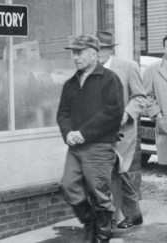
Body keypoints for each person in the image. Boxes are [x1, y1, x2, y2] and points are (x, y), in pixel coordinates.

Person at [57, 34, 124, 243]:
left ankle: (102, 234)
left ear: (94, 54)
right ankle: (91, 221)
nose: (75, 57)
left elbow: (113, 113)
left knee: (99, 192)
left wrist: (83, 133)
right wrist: (68, 133)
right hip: (75, 147)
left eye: (79, 53)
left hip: (99, 146)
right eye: (73, 53)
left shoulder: (109, 79)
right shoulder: (70, 83)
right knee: (68, 185)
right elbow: (63, 113)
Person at [96, 30, 146, 229]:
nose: (97, 53)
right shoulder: (92, 70)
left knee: (116, 170)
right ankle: (132, 214)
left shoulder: (128, 67)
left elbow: (140, 97)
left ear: (110, 49)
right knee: (112, 172)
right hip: (100, 132)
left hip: (123, 132)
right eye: (94, 49)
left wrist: (126, 113)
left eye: (101, 49)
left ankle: (114, 217)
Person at [142, 35, 167, 165]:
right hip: (165, 123)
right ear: (164, 48)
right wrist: (159, 117)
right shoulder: (152, 70)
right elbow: (147, 96)